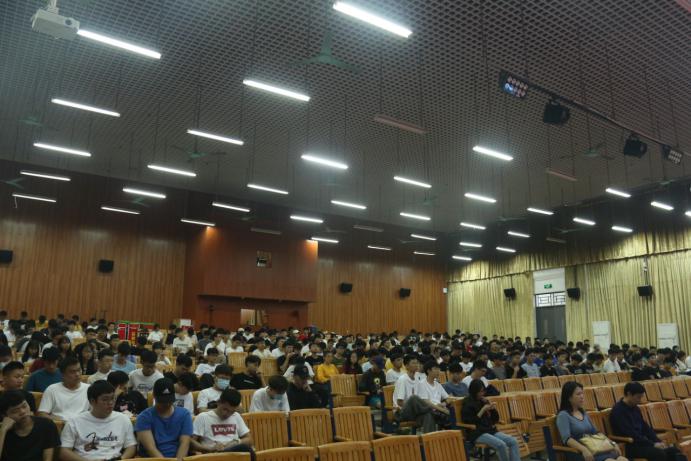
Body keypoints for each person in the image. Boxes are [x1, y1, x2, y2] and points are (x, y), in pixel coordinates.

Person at [59, 380, 137, 460]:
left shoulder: (123, 419)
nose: (110, 403)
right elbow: (64, 451)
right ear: (92, 401)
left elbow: (131, 446)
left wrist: (121, 459)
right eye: (105, 399)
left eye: (113, 398)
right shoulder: (74, 421)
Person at [610, 382, 683, 461]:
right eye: (638, 397)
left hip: (641, 443)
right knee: (659, 453)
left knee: (674, 451)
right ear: (629, 394)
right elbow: (631, 434)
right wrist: (652, 444)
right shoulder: (618, 411)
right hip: (629, 446)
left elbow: (645, 428)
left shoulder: (635, 408)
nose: (640, 400)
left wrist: (658, 441)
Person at [556, 381, 625, 461]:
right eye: (578, 394)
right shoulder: (563, 415)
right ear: (569, 397)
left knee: (622, 459)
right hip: (579, 452)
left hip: (595, 448)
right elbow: (567, 439)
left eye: (582, 393)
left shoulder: (583, 412)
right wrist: (584, 450)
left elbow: (596, 432)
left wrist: (612, 443)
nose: (582, 396)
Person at [461, 379, 520, 461]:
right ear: (474, 391)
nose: (482, 394)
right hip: (476, 433)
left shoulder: (482, 401)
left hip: (489, 429)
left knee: (513, 441)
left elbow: (495, 419)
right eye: (480, 392)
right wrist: (482, 410)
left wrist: (492, 409)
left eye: (483, 391)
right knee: (501, 445)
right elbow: (470, 422)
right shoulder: (467, 403)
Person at [135, 378, 193, 459]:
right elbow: (151, 449)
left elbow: (184, 443)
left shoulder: (184, 414)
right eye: (162, 402)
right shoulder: (144, 417)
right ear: (154, 396)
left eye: (169, 400)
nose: (167, 404)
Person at [0, 390, 60, 461]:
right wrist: (3, 431)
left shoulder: (46, 425)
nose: (22, 412)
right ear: (5, 416)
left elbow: (47, 459)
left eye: (24, 406)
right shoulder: (3, 431)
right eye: (15, 411)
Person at [191, 388, 252, 454]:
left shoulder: (236, 416)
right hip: (213, 454)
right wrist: (209, 449)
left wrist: (236, 442)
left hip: (233, 452)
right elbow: (191, 442)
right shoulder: (203, 417)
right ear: (218, 402)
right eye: (225, 409)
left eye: (232, 412)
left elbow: (249, 439)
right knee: (246, 450)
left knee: (247, 449)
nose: (227, 414)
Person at [393, 354, 436, 433]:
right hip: (401, 413)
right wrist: (413, 405)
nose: (416, 365)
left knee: (428, 415)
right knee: (413, 398)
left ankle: (429, 439)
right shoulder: (403, 379)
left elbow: (421, 399)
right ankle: (431, 409)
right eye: (413, 363)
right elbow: (399, 402)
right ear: (406, 366)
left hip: (414, 413)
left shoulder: (417, 379)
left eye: (417, 363)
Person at [38, 356, 90, 421]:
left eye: (79, 370)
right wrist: (60, 421)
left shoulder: (89, 389)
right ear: (63, 374)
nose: (77, 374)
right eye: (72, 372)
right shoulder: (52, 389)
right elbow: (42, 414)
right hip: (59, 424)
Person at [416, 361, 452, 428]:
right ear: (428, 371)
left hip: (439, 409)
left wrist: (444, 403)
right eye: (435, 369)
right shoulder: (421, 384)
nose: (438, 371)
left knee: (454, 413)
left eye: (438, 369)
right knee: (450, 417)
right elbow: (426, 402)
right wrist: (443, 410)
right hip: (429, 410)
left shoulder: (438, 384)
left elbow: (449, 398)